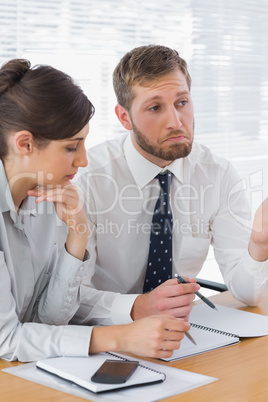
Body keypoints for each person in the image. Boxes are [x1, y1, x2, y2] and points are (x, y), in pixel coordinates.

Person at [0, 58, 189, 362]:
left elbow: (48, 319)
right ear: (25, 144)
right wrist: (120, 337)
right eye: (72, 147)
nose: (83, 161)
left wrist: (78, 235)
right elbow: (7, 339)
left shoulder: (49, 198)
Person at [72, 44, 268, 327]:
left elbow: (248, 293)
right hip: (106, 334)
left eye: (182, 103)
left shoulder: (218, 174)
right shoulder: (89, 179)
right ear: (124, 117)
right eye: (155, 107)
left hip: (181, 334)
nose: (176, 122)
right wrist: (138, 307)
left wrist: (259, 245)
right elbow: (67, 300)